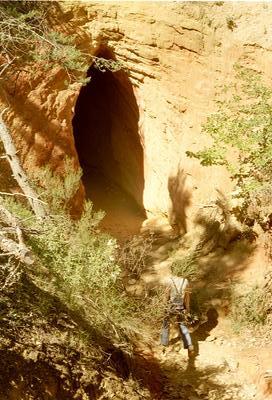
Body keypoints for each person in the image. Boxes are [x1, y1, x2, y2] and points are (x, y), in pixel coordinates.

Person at [160, 274, 194, 357]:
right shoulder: (185, 281)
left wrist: (163, 306)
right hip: (181, 307)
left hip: (170, 307)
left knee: (165, 325)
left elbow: (166, 294)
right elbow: (187, 296)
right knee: (183, 326)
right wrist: (187, 308)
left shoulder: (170, 280)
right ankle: (189, 347)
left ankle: (164, 346)